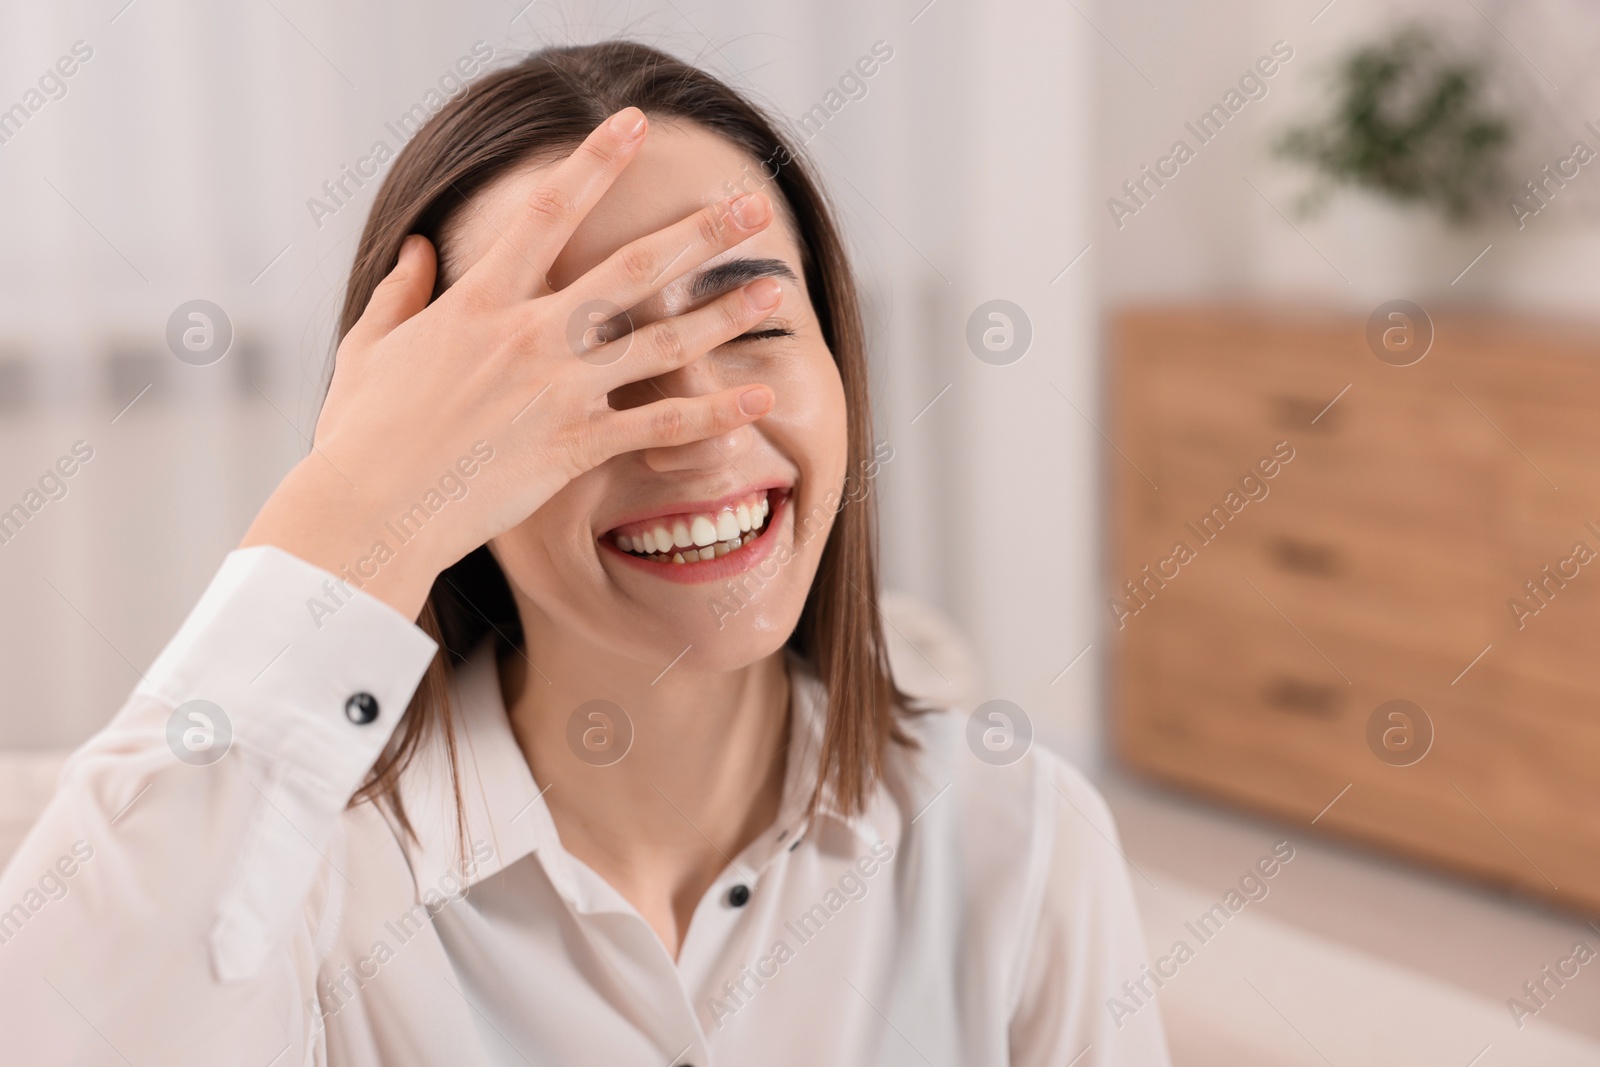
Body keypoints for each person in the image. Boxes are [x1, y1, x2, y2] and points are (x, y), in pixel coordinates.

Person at [0, 41, 1170, 1066]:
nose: (700, 419)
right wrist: (353, 507)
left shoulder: (1018, 834)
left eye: (752, 323)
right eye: (587, 364)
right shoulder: (303, 890)